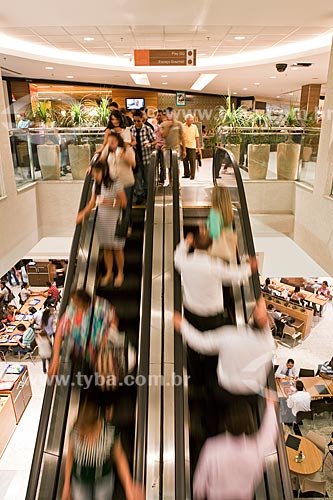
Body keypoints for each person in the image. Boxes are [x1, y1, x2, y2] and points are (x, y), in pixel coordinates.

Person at [174, 296, 275, 395]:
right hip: (252, 393)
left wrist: (182, 325)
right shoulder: (269, 343)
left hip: (224, 389)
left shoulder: (230, 335)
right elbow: (264, 324)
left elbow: (202, 344)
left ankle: (201, 390)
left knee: (208, 364)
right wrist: (262, 316)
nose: (255, 307)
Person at [193, 391, 278, 500]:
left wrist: (200, 492)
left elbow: (199, 486)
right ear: (249, 424)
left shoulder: (212, 447)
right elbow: (270, 434)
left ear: (225, 423)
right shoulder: (257, 449)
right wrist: (271, 406)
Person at [62, 396, 144, 500]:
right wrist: (66, 484)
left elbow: (119, 458)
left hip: (103, 481)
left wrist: (129, 486)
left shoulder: (110, 433)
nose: (82, 433)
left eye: (86, 431)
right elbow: (70, 456)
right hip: (79, 481)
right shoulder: (75, 431)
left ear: (96, 424)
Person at [174, 231, 257, 332]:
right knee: (212, 341)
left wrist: (186, 242)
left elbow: (177, 256)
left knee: (192, 337)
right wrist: (249, 268)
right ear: (210, 246)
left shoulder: (185, 262)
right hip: (211, 315)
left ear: (194, 244)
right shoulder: (215, 266)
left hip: (190, 311)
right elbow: (235, 276)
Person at [76, 159, 127, 288]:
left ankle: (120, 273)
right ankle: (109, 272)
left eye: (96, 173)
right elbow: (92, 203)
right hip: (102, 219)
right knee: (106, 248)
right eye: (93, 174)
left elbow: (124, 203)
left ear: (104, 171)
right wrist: (82, 214)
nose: (95, 176)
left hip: (115, 219)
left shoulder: (116, 183)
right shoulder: (96, 185)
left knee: (117, 248)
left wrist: (108, 202)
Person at [48, 290, 116, 377]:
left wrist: (106, 338)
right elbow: (59, 332)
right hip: (84, 353)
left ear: (85, 304)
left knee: (105, 374)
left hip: (103, 350)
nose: (73, 306)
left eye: (77, 305)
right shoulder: (71, 311)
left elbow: (114, 320)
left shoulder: (101, 306)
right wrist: (55, 358)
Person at [102, 131, 136, 235]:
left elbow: (133, 164)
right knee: (115, 205)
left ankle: (127, 226)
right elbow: (101, 160)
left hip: (126, 182)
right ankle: (115, 227)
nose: (111, 144)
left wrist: (124, 156)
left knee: (126, 205)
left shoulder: (127, 149)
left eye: (113, 142)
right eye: (109, 142)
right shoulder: (107, 150)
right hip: (113, 183)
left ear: (118, 141)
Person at [130, 110, 156, 204]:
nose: (136, 123)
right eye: (135, 121)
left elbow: (155, 141)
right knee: (137, 177)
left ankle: (148, 195)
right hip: (135, 158)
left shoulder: (147, 129)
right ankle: (140, 195)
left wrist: (150, 144)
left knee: (147, 178)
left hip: (146, 158)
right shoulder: (131, 129)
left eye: (138, 121)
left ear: (143, 120)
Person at [206, 185, 237, 263]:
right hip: (227, 249)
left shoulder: (214, 212)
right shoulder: (229, 211)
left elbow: (215, 233)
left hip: (218, 251)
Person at [160, 107, 186, 185]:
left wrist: (184, 150)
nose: (169, 115)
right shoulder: (163, 124)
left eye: (171, 113)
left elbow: (183, 137)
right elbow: (163, 135)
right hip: (167, 149)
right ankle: (171, 183)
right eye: (167, 114)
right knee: (169, 167)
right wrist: (168, 126)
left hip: (176, 149)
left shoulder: (179, 124)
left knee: (176, 167)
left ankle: (176, 183)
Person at [182, 114, 200, 180]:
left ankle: (192, 175)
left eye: (191, 120)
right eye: (189, 120)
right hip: (183, 145)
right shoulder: (182, 126)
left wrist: (198, 147)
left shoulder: (194, 127)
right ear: (186, 120)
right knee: (185, 160)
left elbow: (197, 137)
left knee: (192, 161)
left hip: (192, 145)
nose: (190, 121)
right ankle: (186, 174)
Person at [154, 109, 166, 185]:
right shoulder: (154, 126)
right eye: (157, 115)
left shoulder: (165, 125)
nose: (158, 117)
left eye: (160, 115)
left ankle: (162, 179)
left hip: (163, 146)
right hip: (156, 146)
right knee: (155, 163)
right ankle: (156, 178)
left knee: (163, 163)